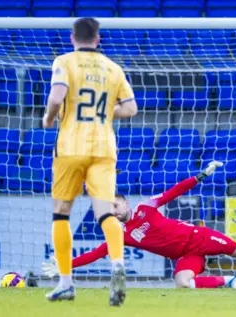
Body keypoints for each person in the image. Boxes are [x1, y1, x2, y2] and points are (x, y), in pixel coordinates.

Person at [43, 162, 236, 290]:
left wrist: (201, 175)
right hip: (185, 255)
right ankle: (228, 281)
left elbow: (175, 191)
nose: (113, 211)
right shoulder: (121, 235)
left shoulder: (147, 206)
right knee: (183, 283)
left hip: (200, 238)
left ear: (124, 203)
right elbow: (94, 254)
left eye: (115, 206)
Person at [43, 18, 138, 305]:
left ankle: (65, 283)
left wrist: (48, 118)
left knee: (61, 214)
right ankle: (118, 263)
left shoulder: (65, 61)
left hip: (71, 145)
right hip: (104, 148)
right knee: (106, 214)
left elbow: (57, 96)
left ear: (73, 37)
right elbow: (131, 108)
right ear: (98, 39)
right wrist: (107, 111)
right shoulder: (113, 67)